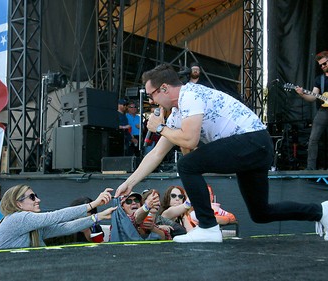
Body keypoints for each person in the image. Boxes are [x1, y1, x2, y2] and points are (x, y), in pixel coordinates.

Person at [115, 63, 328, 243]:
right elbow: (156, 154)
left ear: (163, 88)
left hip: (251, 141)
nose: (151, 101)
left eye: (151, 94)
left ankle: (208, 227)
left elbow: (190, 140)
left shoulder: (190, 95)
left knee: (188, 165)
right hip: (253, 147)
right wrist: (130, 182)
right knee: (260, 213)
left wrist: (159, 128)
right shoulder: (178, 113)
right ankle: (321, 212)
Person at [0, 185, 117, 249]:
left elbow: (66, 227)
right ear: (18, 204)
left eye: (36, 195)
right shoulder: (18, 218)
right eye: (32, 197)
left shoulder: (32, 225)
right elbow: (56, 216)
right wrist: (93, 204)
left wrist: (98, 216)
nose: (38, 200)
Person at [295, 51, 328, 170]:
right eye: (320, 65)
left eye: (324, 63)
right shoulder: (320, 79)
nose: (322, 67)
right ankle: (310, 169)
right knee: (313, 139)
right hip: (324, 111)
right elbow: (313, 97)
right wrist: (302, 94)